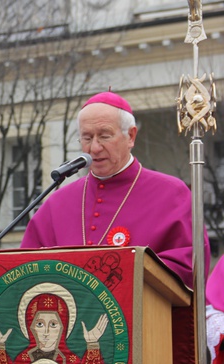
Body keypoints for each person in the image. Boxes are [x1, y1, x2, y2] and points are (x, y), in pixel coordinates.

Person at [21, 91, 210, 289]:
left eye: (104, 136)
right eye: (86, 138)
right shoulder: (56, 204)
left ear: (131, 136)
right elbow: (26, 270)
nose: (94, 148)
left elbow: (189, 268)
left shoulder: (172, 194)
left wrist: (128, 270)